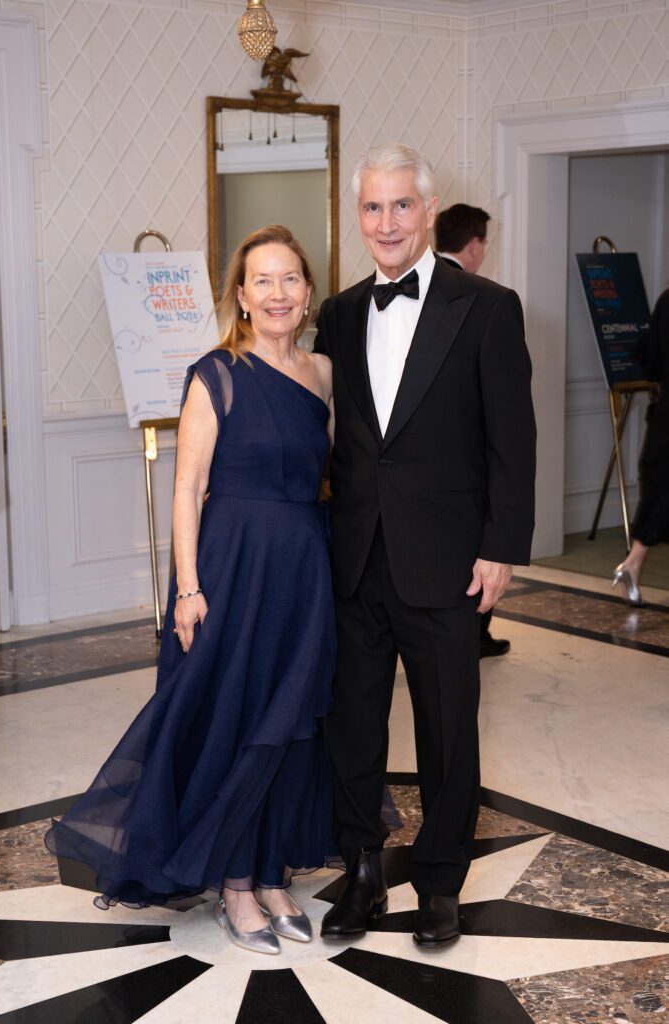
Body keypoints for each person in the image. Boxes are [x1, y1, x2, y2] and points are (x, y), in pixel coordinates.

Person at [46, 225, 336, 956]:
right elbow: (188, 486)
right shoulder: (216, 373)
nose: (277, 293)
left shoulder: (323, 373)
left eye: (290, 279)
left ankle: (272, 873)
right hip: (233, 566)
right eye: (262, 281)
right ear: (240, 296)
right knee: (235, 721)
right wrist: (187, 588)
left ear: (308, 292)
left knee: (293, 721)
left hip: (304, 568)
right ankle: (235, 885)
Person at [314, 144, 535, 947]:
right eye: (371, 208)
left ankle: (440, 881)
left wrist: (501, 544)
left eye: (400, 206)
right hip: (354, 560)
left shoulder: (486, 306)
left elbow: (513, 438)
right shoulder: (337, 314)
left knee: (448, 729)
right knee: (353, 727)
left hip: (446, 561)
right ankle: (363, 869)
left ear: (428, 213)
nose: (385, 223)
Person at [434, 203, 511, 659]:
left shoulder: (491, 302)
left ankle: (474, 635)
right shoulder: (486, 300)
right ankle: (475, 633)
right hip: (465, 487)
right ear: (476, 244)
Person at [613, 286, 669, 605]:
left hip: (665, 416)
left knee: (660, 492)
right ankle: (631, 565)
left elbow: (651, 361)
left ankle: (632, 564)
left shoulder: (666, 300)